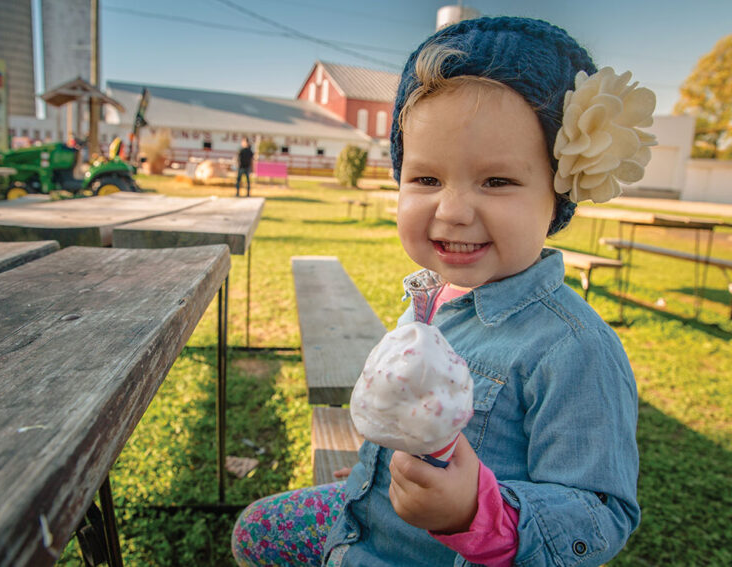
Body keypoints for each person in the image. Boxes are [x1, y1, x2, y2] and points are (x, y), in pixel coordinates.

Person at [232, 16, 655, 567]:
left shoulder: (575, 350)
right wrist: (378, 465)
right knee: (253, 533)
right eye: (427, 179)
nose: (452, 211)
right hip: (362, 518)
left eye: (497, 181)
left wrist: (475, 514)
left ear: (558, 195)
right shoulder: (431, 297)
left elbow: (603, 512)